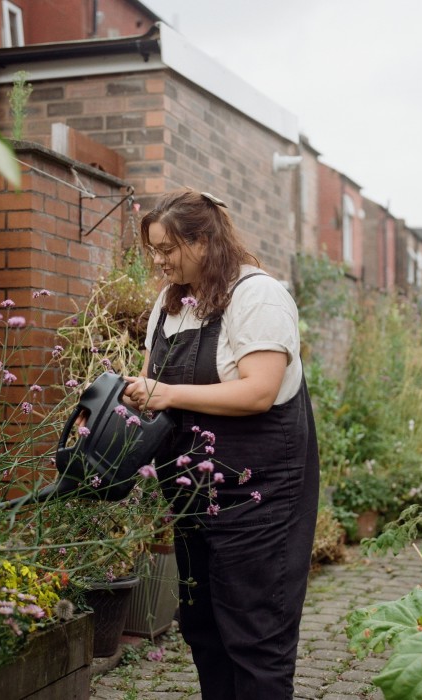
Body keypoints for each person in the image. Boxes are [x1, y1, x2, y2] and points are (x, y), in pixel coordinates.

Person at [122, 188, 320, 700]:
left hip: (260, 496)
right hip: (191, 497)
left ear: (205, 241)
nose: (159, 261)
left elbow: (259, 391)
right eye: (154, 252)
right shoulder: (167, 308)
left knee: (256, 636)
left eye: (168, 250)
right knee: (204, 629)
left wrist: (167, 393)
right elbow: (153, 389)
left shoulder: (257, 296)